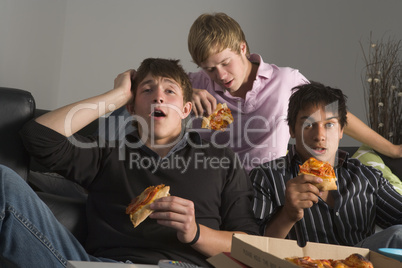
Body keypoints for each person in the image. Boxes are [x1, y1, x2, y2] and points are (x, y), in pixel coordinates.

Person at [0, 58, 259, 267]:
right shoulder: (107, 153)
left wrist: (195, 233)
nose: (159, 97)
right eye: (147, 90)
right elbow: (39, 137)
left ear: (186, 110)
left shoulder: (221, 159)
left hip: (182, 265)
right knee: (4, 181)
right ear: (132, 108)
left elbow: (250, 246)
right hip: (103, 264)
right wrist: (117, 95)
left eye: (170, 91)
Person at [187, 12, 402, 173]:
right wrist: (185, 92)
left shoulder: (285, 81)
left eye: (225, 63)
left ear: (242, 48)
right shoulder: (193, 84)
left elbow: (331, 114)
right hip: (213, 190)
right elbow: (154, 86)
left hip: (268, 188)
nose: (221, 75)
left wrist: (392, 150)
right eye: (210, 69)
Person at [250, 81, 402, 251]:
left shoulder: (367, 177)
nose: (320, 136)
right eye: (308, 125)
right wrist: (288, 214)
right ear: (292, 130)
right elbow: (251, 248)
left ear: (341, 131)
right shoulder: (266, 176)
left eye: (329, 125)